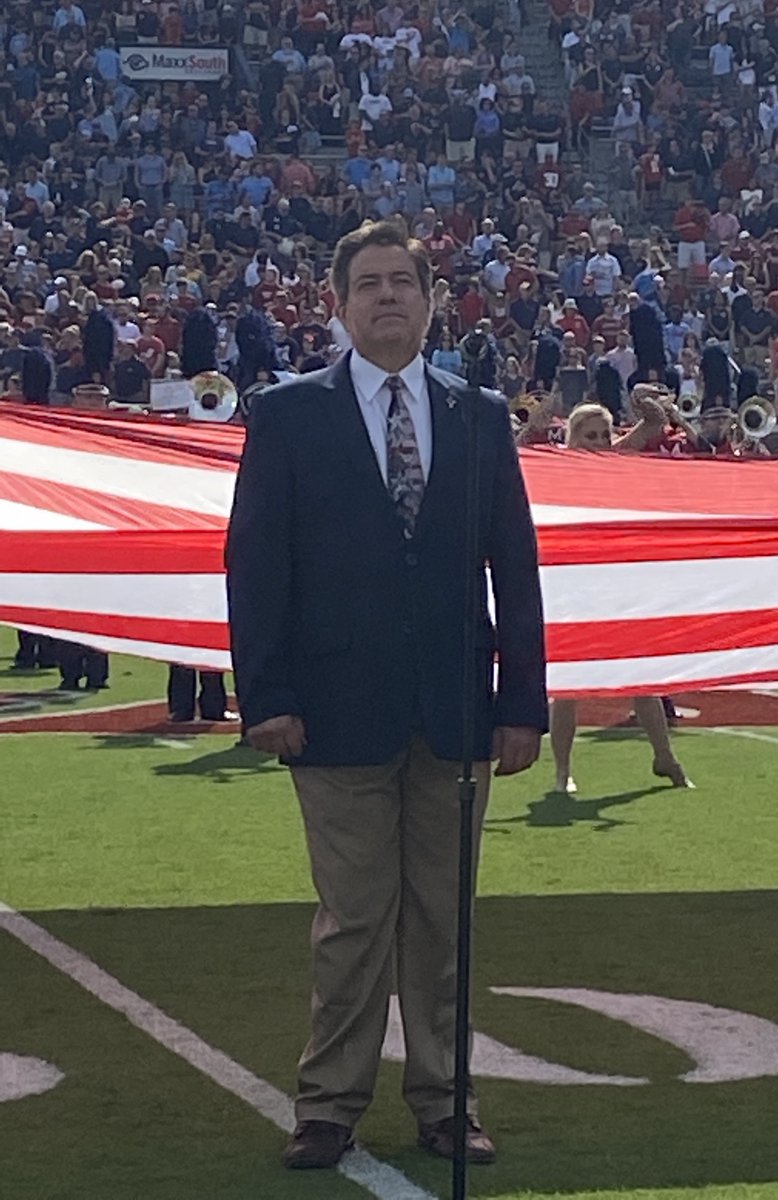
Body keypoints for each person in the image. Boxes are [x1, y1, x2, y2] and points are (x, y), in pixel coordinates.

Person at [226, 220, 547, 1171]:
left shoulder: (480, 415)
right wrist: (266, 697)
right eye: (367, 284)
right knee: (356, 920)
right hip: (332, 715)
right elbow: (256, 565)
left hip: (455, 713)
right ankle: (327, 1105)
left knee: (445, 921)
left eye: (402, 282)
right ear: (339, 303)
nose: (387, 298)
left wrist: (521, 701)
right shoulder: (287, 415)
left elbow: (515, 568)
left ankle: (448, 1102)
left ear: (431, 298)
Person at [548, 402, 692, 792]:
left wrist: (643, 399)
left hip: (616, 584)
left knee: (640, 676)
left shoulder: (616, 460)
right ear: (572, 438)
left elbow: (655, 423)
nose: (597, 443)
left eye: (603, 435)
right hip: (574, 586)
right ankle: (563, 772)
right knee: (568, 687)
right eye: (588, 436)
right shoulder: (555, 467)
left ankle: (665, 758)